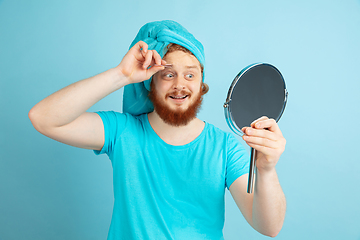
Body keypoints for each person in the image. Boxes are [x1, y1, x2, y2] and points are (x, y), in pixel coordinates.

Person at [28, 20, 286, 239]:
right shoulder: (122, 132)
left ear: (201, 84)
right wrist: (122, 75)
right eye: (168, 74)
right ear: (149, 83)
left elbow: (268, 226)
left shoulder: (224, 147)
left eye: (190, 75)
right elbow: (43, 118)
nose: (180, 85)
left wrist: (266, 170)